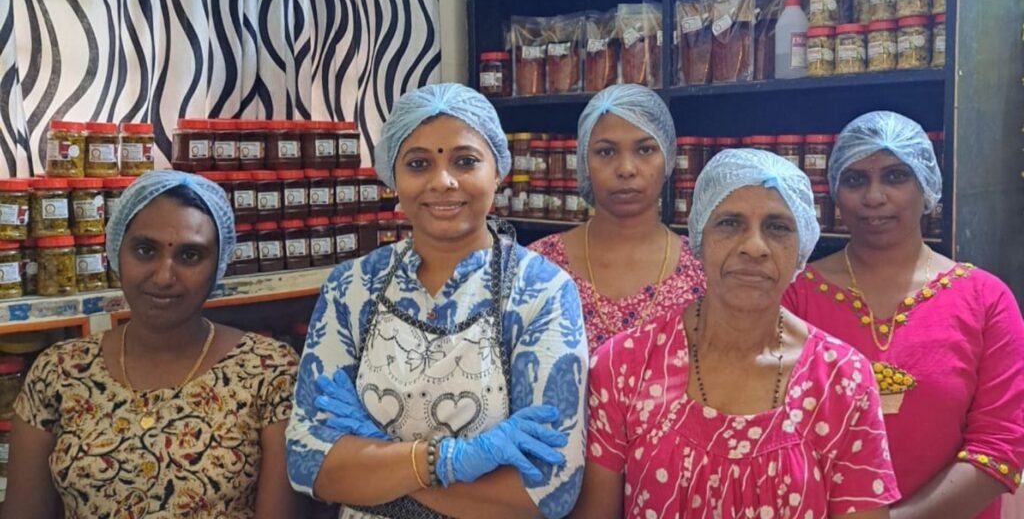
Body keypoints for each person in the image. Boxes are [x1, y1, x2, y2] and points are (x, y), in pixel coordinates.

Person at [285, 83, 588, 519]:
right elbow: (308, 467)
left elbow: (545, 493)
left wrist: (376, 465)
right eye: (418, 163)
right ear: (393, 175)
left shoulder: (543, 291)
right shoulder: (351, 287)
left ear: (498, 171)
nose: (443, 181)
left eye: (465, 161)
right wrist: (448, 462)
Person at [572, 148, 899, 518]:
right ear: (699, 237)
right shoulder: (624, 365)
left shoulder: (842, 379)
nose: (754, 247)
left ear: (803, 245)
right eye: (730, 223)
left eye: (777, 227)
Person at [4, 171, 300, 518]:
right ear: (116, 251)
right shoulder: (59, 371)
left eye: (190, 256)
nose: (163, 276)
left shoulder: (268, 370)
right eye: (145, 250)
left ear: (218, 264)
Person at [782, 111, 1024, 519]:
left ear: (926, 185)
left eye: (895, 176)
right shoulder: (795, 297)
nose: (874, 197)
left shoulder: (986, 300)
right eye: (856, 179)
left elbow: (999, 447)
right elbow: (775, 435)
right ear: (835, 192)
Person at [529, 84, 704, 355]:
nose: (626, 169)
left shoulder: (702, 271)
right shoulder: (539, 268)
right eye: (606, 152)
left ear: (669, 157)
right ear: (584, 161)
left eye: (645, 150)